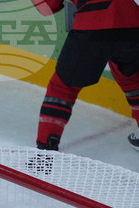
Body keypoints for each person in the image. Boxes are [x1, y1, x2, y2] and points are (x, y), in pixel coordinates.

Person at [32, 0, 139, 151]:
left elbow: (46, 7)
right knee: (132, 79)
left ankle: (45, 149)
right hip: (134, 23)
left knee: (62, 87)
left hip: (93, 21)